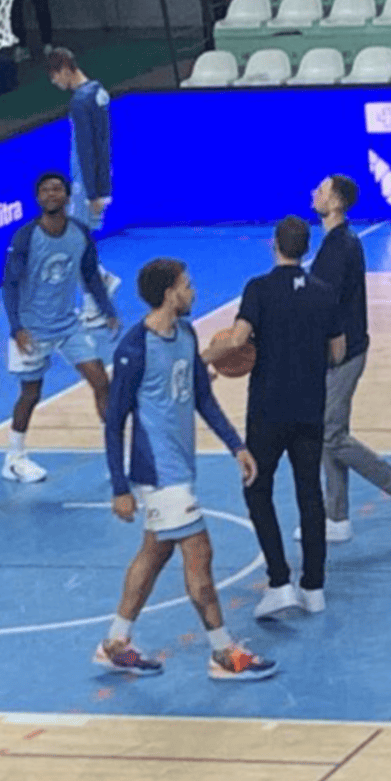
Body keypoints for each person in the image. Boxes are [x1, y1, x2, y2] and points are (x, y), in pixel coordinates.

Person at [99, 257, 277, 681]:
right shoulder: (133, 349)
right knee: (200, 555)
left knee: (155, 552)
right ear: (169, 294)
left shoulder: (186, 334)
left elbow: (203, 398)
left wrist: (236, 446)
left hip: (180, 467)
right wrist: (120, 487)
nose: (193, 291)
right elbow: (114, 421)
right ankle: (223, 653)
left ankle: (115, 643)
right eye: (187, 285)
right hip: (160, 474)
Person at [203, 216, 345, 619]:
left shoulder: (259, 288)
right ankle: (314, 587)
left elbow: (237, 339)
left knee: (257, 489)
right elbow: (338, 353)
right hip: (310, 407)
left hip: (268, 409)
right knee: (309, 493)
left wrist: (200, 360)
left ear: (274, 245)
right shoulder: (324, 292)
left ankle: (280, 581)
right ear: (306, 248)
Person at [309, 174, 391, 543]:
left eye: (321, 190)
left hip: (343, 354)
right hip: (340, 351)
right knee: (329, 432)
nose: (314, 193)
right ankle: (336, 518)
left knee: (330, 435)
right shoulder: (340, 242)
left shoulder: (338, 248)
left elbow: (325, 307)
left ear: (335, 203)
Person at [2, 172, 118, 483]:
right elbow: (10, 284)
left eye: (57, 189)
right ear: (38, 198)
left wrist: (107, 310)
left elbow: (90, 274)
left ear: (67, 197)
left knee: (100, 381)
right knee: (30, 394)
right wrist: (16, 327)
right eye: (45, 190)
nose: (51, 194)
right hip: (32, 329)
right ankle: (14, 458)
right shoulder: (26, 237)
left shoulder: (79, 233)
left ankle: (116, 456)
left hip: (68, 325)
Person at [47, 46, 120, 330]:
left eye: (55, 76)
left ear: (66, 68)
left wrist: (92, 193)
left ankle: (94, 305)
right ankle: (102, 281)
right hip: (98, 180)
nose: (55, 83)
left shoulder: (80, 101)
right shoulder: (99, 92)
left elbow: (88, 150)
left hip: (85, 185)